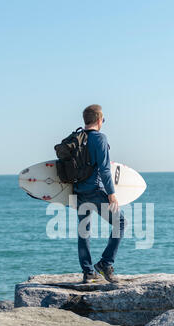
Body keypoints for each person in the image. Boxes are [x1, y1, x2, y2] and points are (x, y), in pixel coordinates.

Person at [73, 104, 126, 284]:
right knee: (120, 222)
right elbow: (104, 170)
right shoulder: (99, 138)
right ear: (98, 120)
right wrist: (111, 194)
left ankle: (88, 272)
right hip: (95, 191)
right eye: (103, 119)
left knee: (83, 231)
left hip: (78, 191)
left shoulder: (77, 138)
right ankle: (105, 263)